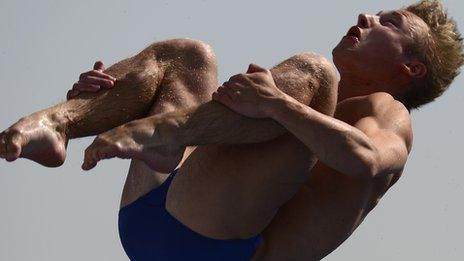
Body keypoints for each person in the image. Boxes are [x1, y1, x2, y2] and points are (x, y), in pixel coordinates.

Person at [1, 0, 462, 260]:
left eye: (389, 22)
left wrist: (278, 104)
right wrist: (107, 98)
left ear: (410, 68)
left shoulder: (387, 112)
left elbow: (364, 161)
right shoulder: (313, 109)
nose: (367, 17)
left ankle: (164, 135)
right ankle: (59, 124)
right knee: (189, 55)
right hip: (159, 213)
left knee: (315, 74)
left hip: (217, 250)